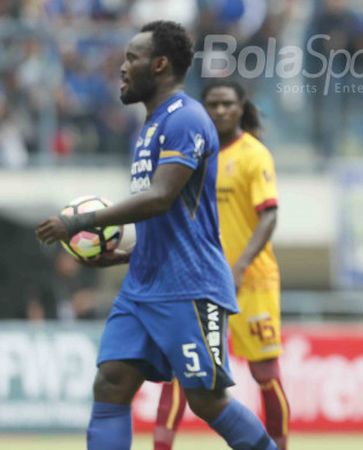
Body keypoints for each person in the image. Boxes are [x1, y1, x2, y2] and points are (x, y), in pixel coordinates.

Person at [34, 21, 279, 450]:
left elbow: (162, 197)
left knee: (206, 400)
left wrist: (78, 223)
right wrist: (127, 251)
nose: (122, 68)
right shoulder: (149, 126)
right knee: (111, 383)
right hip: (143, 287)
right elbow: (169, 218)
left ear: (160, 64)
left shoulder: (186, 118)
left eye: (132, 58)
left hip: (190, 286)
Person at [154, 80, 288, 450]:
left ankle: (279, 445)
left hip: (252, 280)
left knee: (264, 373)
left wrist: (240, 266)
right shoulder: (196, 154)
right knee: (182, 371)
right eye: (212, 104)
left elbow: (269, 216)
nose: (219, 111)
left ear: (241, 106)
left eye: (227, 103)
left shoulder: (254, 155)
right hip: (200, 279)